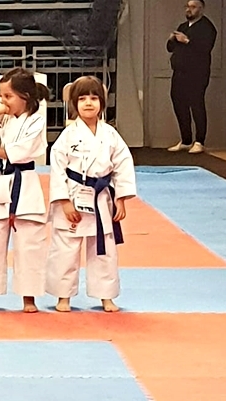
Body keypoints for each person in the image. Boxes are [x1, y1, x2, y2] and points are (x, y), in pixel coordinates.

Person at [46, 76, 136, 313]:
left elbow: (123, 165)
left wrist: (121, 198)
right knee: (66, 249)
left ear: (102, 103)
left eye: (94, 98)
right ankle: (63, 296)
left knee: (104, 250)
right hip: (74, 196)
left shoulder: (110, 134)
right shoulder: (67, 135)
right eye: (82, 98)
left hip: (100, 197)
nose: (88, 103)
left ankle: (106, 296)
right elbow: (57, 169)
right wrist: (64, 202)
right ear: (74, 103)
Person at [0, 68, 49, 313]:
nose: (3, 101)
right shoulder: (1, 118)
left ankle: (29, 297)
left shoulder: (36, 120)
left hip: (24, 184)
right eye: (1, 96)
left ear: (25, 96)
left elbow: (23, 150)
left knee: (29, 245)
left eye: (8, 96)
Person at [166, 0, 217, 154]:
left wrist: (187, 41)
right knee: (179, 104)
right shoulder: (182, 26)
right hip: (179, 72)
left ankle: (200, 141)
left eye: (193, 7)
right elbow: (170, 48)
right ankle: (186, 140)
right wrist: (171, 39)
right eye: (187, 6)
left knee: (196, 104)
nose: (189, 10)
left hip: (197, 73)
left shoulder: (207, 27)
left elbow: (205, 48)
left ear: (201, 9)